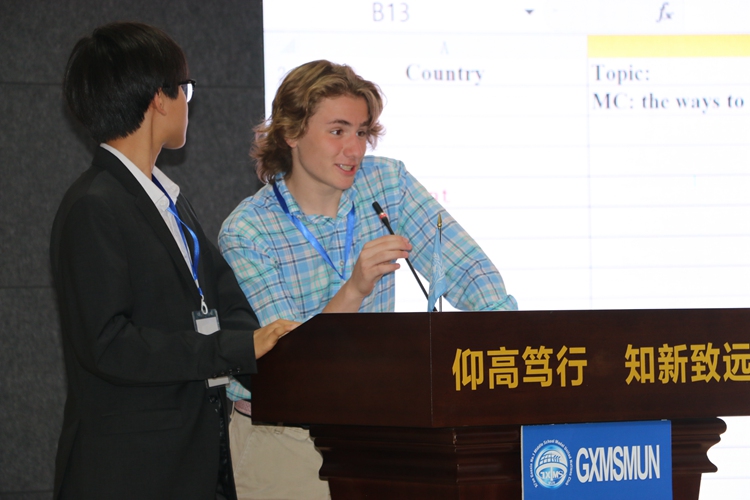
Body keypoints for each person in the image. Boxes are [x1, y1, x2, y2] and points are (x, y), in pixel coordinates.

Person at [218, 60, 517, 499]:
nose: (354, 149)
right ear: (292, 133)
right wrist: (355, 290)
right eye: (337, 131)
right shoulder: (248, 230)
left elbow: (470, 271)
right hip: (284, 438)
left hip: (376, 430)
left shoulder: (387, 183)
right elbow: (288, 366)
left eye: (361, 132)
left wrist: (509, 341)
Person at [50, 22, 298, 500]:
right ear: (159, 98)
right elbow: (108, 345)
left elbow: (223, 292)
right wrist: (232, 348)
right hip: (130, 471)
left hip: (192, 459)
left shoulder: (168, 197)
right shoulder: (93, 205)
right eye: (185, 88)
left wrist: (255, 342)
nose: (188, 101)